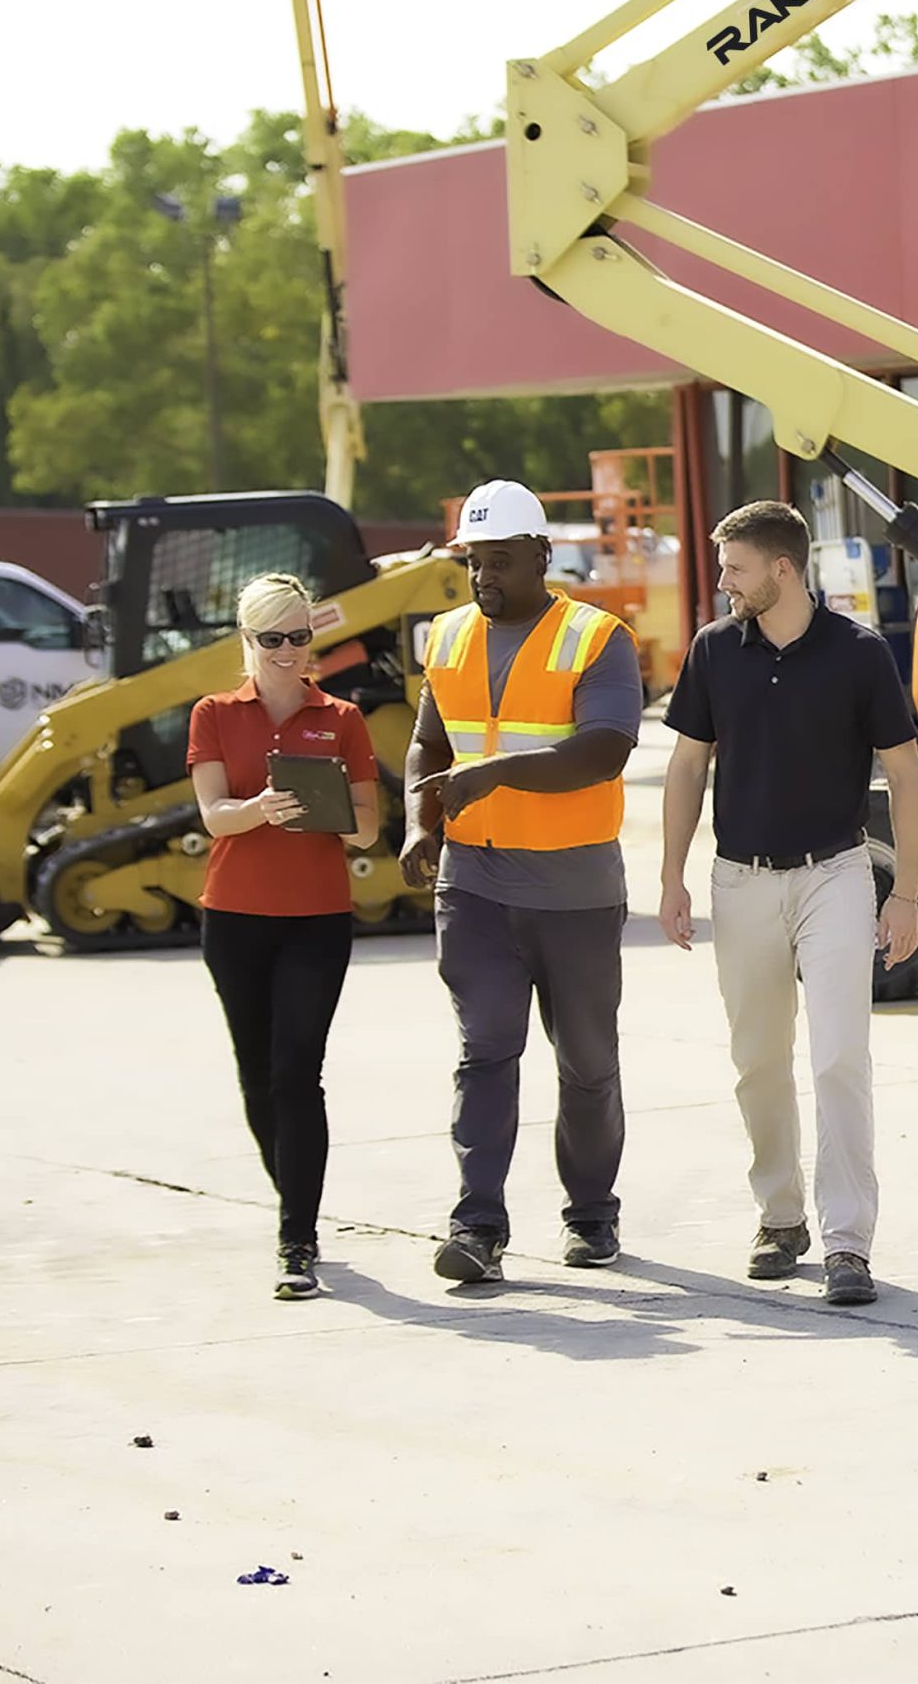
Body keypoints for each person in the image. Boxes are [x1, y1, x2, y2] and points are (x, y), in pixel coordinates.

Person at [659, 499, 918, 1306]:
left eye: (735, 567)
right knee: (758, 1061)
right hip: (739, 881)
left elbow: (907, 777)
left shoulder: (859, 652)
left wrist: (906, 891)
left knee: (841, 1056)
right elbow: (685, 767)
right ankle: (780, 1218)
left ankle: (848, 1241)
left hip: (834, 876)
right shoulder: (713, 650)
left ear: (783, 568)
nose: (724, 582)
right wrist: (671, 875)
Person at [403, 479, 641, 1285]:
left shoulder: (595, 637)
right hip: (475, 888)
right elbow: (429, 746)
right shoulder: (447, 637)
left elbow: (605, 749)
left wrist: (495, 773)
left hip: (574, 894)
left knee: (586, 1061)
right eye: (474, 561)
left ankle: (592, 1213)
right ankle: (477, 1227)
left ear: (542, 555)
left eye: (501, 560)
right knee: (485, 1052)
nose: (483, 577)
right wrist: (419, 825)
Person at [187, 572, 383, 1301]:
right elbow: (213, 814)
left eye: (299, 637)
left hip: (316, 918)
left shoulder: (342, 717)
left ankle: (297, 1235)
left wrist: (322, 804)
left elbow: (366, 824)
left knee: (299, 1070)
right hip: (234, 915)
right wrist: (259, 808)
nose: (286, 651)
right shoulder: (213, 713)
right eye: (271, 638)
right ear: (247, 640)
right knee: (257, 1075)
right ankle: (293, 1194)